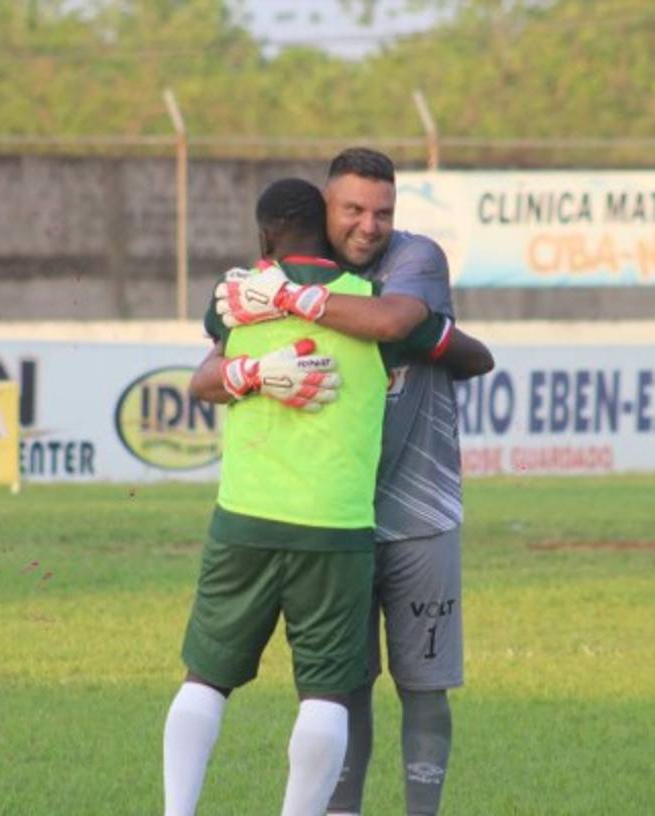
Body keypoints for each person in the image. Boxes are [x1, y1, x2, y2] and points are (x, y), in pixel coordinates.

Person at [162, 177, 465, 816]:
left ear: (265, 235)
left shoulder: (234, 301)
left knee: (205, 679)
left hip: (244, 519)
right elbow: (452, 345)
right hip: (336, 526)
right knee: (327, 695)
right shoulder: (371, 305)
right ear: (325, 223)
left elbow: (203, 373)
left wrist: (251, 365)